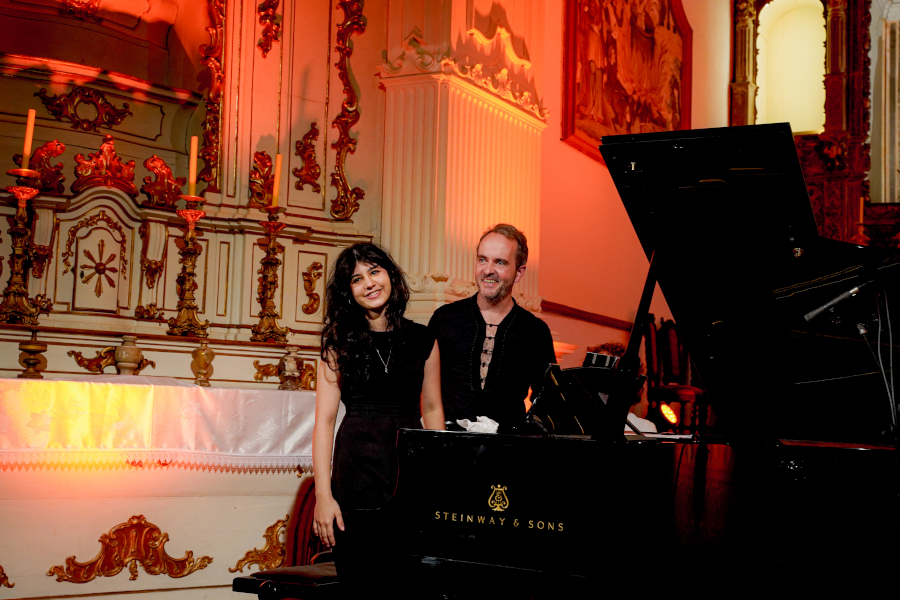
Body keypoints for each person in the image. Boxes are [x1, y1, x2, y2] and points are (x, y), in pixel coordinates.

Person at [312, 243, 444, 582]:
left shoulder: (424, 339)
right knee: (361, 586)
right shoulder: (337, 344)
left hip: (409, 469)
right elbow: (324, 423)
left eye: (375, 271)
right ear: (348, 292)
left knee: (409, 586)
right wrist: (323, 498)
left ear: (390, 276)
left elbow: (432, 409)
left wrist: (443, 480)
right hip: (355, 472)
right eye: (357, 279)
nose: (369, 283)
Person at [428, 224, 556, 432]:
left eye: (500, 262)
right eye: (482, 259)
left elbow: (547, 401)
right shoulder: (445, 318)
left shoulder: (536, 331)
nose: (488, 270)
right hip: (447, 448)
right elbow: (420, 385)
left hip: (506, 453)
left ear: (519, 272)